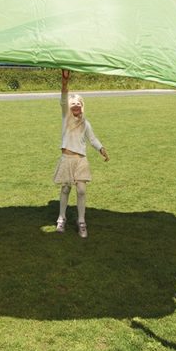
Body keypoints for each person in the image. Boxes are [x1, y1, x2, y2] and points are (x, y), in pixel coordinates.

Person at [53, 69, 109, 238]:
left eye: (79, 103)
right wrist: (64, 83)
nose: (76, 105)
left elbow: (92, 139)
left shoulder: (86, 123)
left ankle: (81, 221)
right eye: (73, 103)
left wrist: (101, 149)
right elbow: (64, 98)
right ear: (69, 107)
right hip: (67, 159)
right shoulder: (66, 118)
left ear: (82, 106)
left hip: (81, 160)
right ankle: (61, 218)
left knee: (82, 190)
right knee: (65, 188)